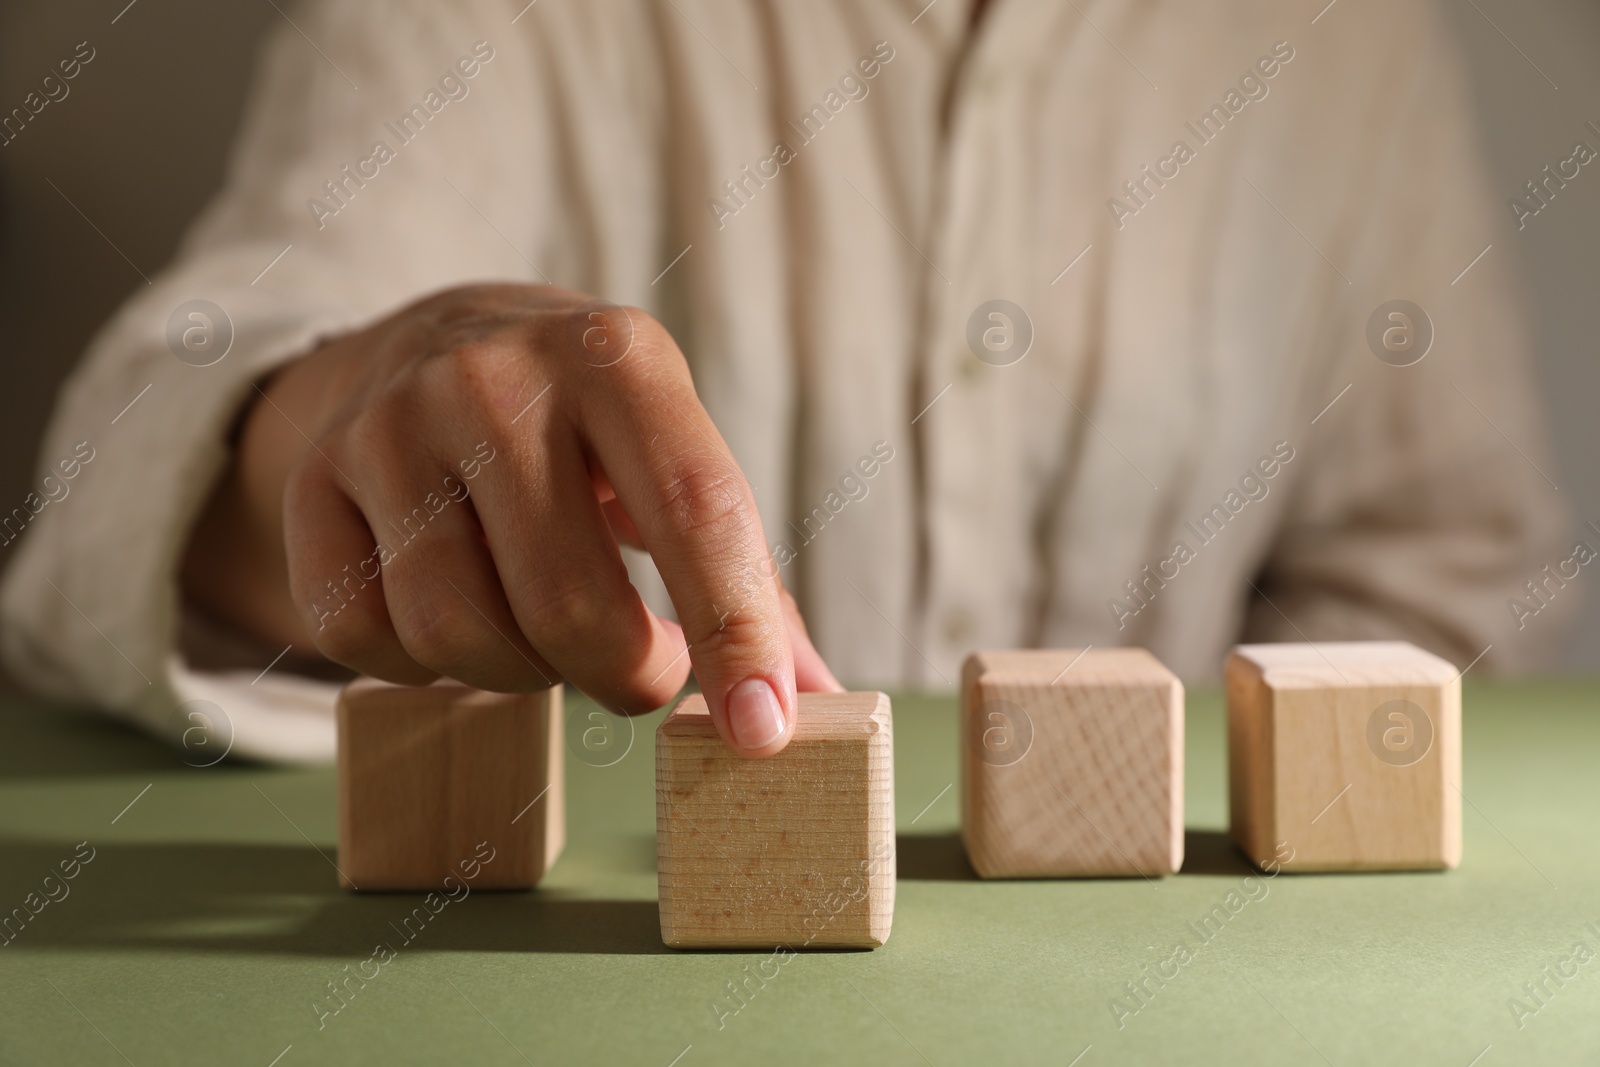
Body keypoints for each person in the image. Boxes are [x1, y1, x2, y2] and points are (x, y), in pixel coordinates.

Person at [0, 0, 1570, 763]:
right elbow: (128, 472)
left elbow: (1445, 566)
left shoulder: (1343, 37)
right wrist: (324, 427)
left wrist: (1180, 814)